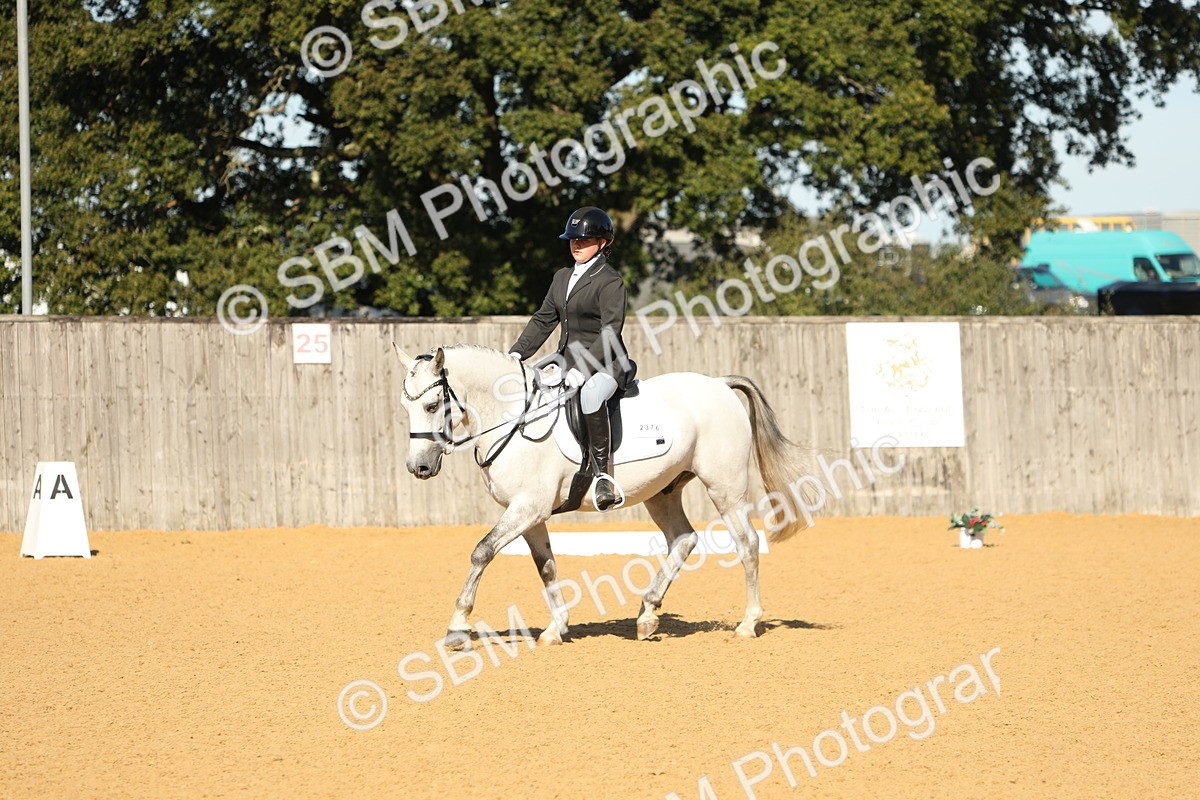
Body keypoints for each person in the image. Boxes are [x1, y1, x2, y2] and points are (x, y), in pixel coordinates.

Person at [509, 206, 637, 511]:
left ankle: (602, 476)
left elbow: (610, 333)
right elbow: (543, 320)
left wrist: (582, 370)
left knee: (591, 396)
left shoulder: (610, 281)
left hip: (606, 361)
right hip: (566, 358)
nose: (576, 245)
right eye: (572, 240)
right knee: (531, 381)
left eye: (583, 240)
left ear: (603, 243)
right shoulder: (562, 277)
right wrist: (516, 353)